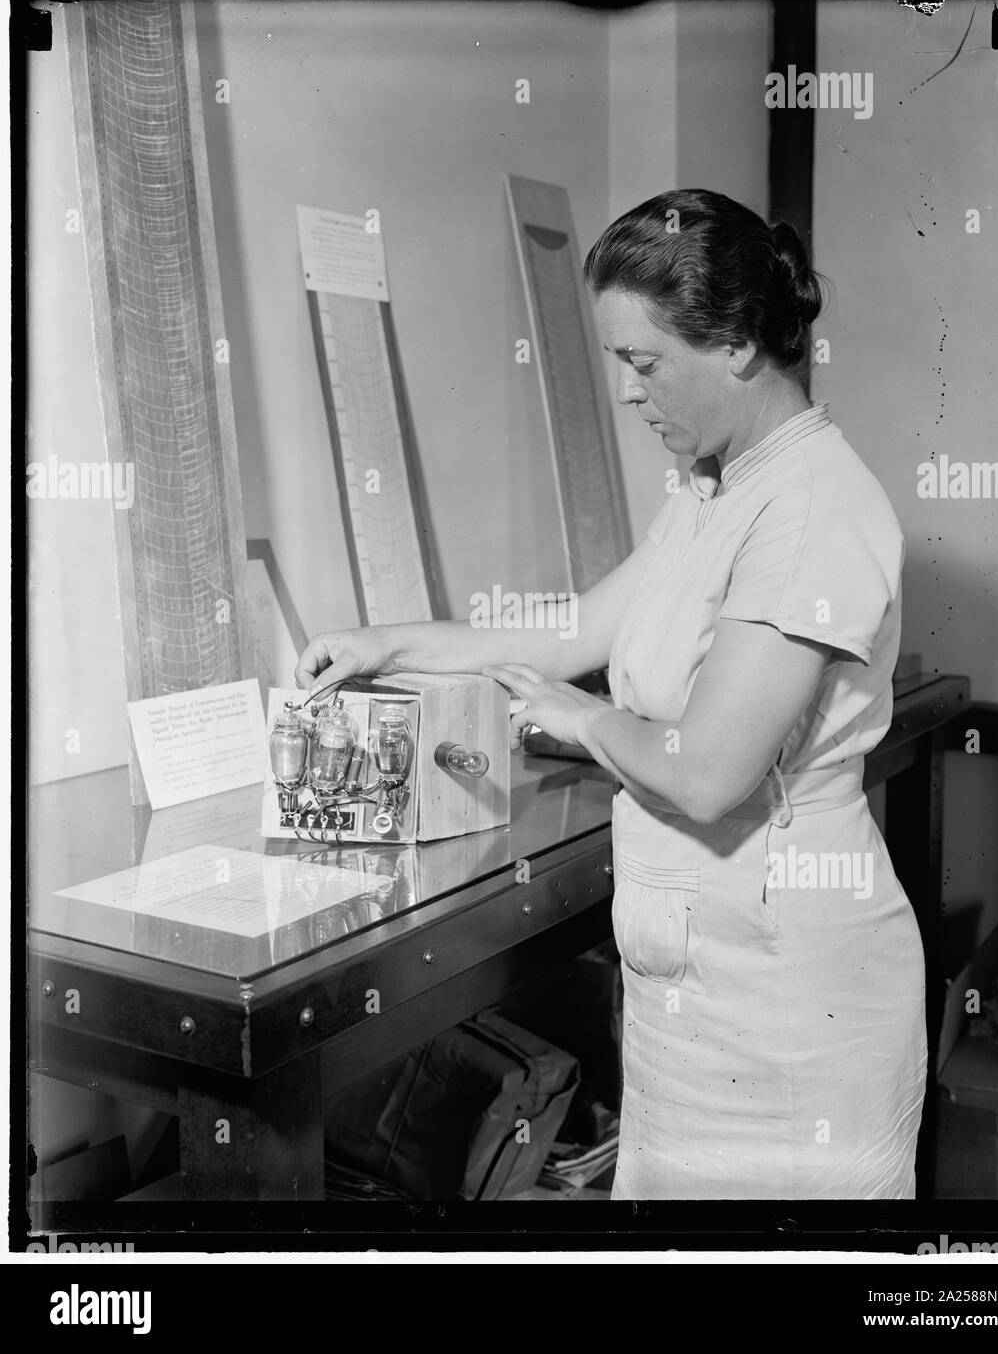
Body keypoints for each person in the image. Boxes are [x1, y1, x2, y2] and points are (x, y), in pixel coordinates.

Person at [294, 189, 926, 1201]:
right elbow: (572, 628)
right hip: (698, 988)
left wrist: (581, 715)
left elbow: (712, 770)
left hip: (792, 1002)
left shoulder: (813, 506)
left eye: (643, 363)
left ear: (734, 345)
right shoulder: (716, 489)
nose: (631, 394)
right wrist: (382, 643)